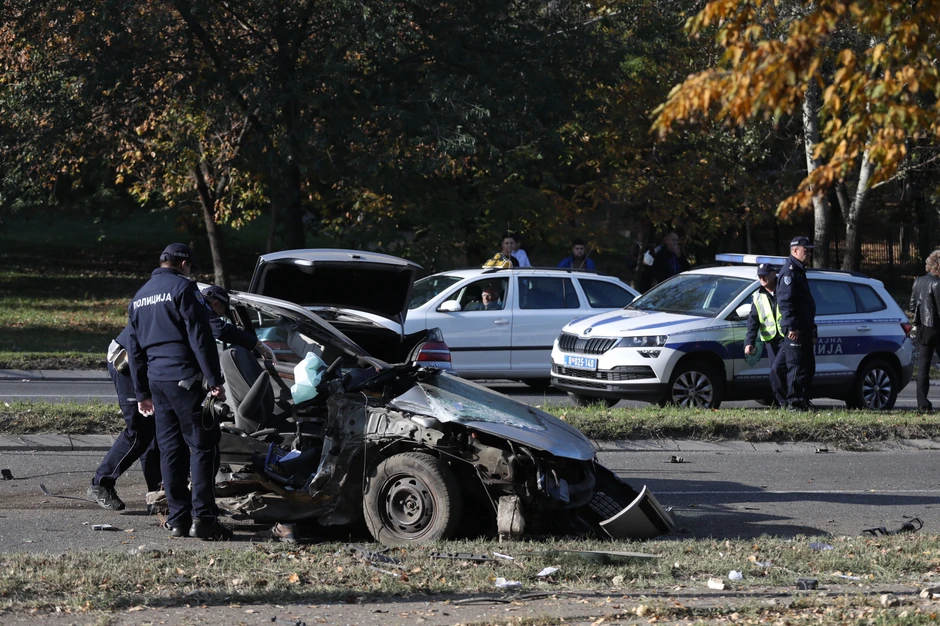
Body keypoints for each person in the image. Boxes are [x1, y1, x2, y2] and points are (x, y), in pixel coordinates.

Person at [126, 243, 232, 540]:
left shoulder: (140, 296)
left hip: (157, 382)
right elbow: (200, 335)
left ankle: (178, 519)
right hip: (185, 378)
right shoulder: (185, 289)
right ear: (184, 264)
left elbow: (134, 349)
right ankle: (204, 519)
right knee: (203, 446)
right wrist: (214, 378)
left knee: (170, 449)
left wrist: (141, 391)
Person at [87, 325, 162, 511]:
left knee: (154, 433)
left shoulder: (183, 303)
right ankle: (101, 483)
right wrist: (142, 393)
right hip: (129, 362)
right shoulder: (190, 305)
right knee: (139, 433)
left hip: (140, 360)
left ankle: (158, 496)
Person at [774, 236, 817, 411]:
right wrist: (791, 327)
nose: (809, 254)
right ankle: (793, 403)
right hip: (796, 329)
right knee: (796, 366)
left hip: (804, 328)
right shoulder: (790, 272)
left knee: (806, 366)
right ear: (794, 251)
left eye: (809, 251)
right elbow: (786, 302)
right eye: (805, 251)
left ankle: (801, 400)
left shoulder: (799, 270)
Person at [744, 264, 786, 405]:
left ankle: (787, 402)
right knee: (775, 371)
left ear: (774, 274)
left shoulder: (785, 290)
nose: (762, 278)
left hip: (788, 338)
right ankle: (784, 403)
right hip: (771, 340)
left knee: (778, 369)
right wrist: (749, 342)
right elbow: (753, 321)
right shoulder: (757, 296)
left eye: (765, 274)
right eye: (760, 275)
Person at [201, 285, 277, 362]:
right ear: (216, 304)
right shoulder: (200, 310)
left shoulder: (195, 305)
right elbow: (221, 330)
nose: (217, 318)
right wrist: (259, 344)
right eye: (219, 316)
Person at [910, 249, 940, 412]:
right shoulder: (937, 284)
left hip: (922, 328)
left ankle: (922, 404)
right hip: (936, 328)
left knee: (923, 367)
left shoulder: (918, 281)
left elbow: (912, 305)